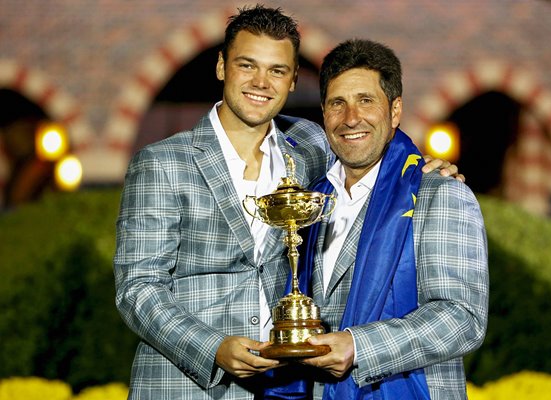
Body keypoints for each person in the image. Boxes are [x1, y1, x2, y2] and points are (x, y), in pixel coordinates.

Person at [114, 5, 463, 399]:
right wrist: (211, 348)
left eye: (277, 70)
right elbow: (139, 288)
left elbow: (367, 145)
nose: (261, 82)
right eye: (247, 66)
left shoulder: (311, 146)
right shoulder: (162, 163)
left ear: (294, 79)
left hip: (288, 387)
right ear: (221, 67)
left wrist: (420, 169)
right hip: (187, 385)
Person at [296, 39, 489, 400]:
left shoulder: (441, 193)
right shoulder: (309, 201)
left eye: (366, 100)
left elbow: (462, 318)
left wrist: (359, 346)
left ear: (395, 110)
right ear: (323, 112)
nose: (351, 117)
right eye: (338, 103)